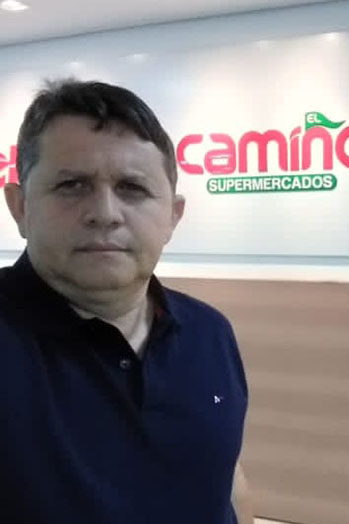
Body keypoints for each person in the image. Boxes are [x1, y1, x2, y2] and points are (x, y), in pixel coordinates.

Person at [0, 79, 252, 524]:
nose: (105, 213)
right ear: (19, 206)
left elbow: (227, 483)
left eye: (132, 188)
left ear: (173, 216)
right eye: (72, 185)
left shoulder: (209, 333)